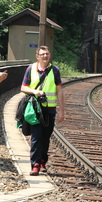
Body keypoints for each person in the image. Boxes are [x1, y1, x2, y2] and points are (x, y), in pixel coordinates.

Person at [21, 45, 64, 176]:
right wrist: (34, 91)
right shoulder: (30, 69)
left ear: (49, 55)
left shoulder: (55, 70)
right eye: (42, 54)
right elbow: (23, 87)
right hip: (35, 108)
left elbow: (59, 90)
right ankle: (35, 165)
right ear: (37, 56)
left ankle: (42, 161)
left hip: (50, 109)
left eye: (47, 53)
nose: (45, 56)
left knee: (46, 137)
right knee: (36, 136)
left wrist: (62, 110)